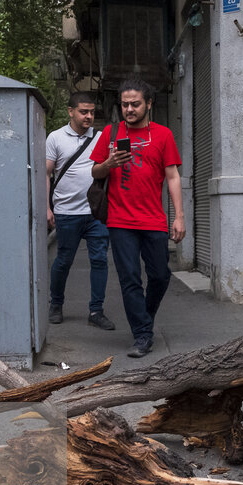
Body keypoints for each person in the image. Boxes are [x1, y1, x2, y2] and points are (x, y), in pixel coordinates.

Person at [90, 77, 185, 357]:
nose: (129, 109)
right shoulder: (110, 132)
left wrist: (179, 217)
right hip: (120, 221)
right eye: (124, 104)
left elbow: (173, 176)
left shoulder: (163, 135)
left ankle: (144, 315)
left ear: (149, 104)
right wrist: (109, 163)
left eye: (135, 104)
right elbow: (94, 172)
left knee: (160, 276)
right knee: (129, 278)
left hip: (153, 220)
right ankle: (143, 335)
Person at [46, 92, 115, 330]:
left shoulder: (101, 137)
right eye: (83, 112)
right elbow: (47, 174)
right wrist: (47, 207)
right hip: (66, 211)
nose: (89, 116)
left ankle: (96, 311)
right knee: (64, 260)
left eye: (92, 112)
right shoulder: (55, 138)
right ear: (70, 111)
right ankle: (55, 304)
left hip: (96, 211)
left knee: (99, 260)